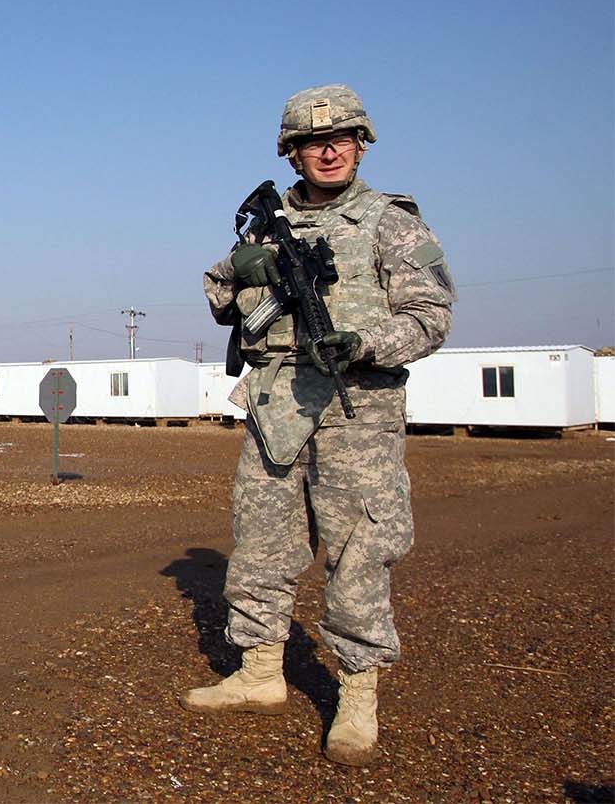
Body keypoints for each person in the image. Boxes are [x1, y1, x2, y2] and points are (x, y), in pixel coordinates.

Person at [184, 85, 455, 766]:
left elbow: (431, 316)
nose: (328, 150)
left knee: (359, 550)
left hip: (356, 410)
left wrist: (366, 343)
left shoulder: (392, 223)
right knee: (261, 544)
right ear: (293, 152)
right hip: (277, 407)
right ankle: (260, 672)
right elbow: (219, 294)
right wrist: (248, 273)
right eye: (312, 142)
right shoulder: (265, 225)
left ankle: (357, 696)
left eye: (340, 139)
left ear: (361, 144)